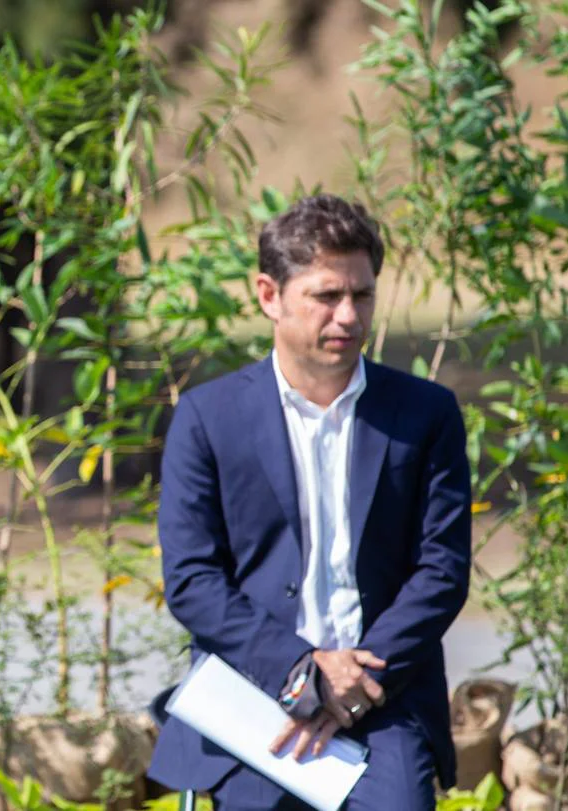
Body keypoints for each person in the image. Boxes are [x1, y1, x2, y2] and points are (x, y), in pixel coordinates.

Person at [147, 194, 471, 809]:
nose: (348, 316)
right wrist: (303, 673)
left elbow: (443, 570)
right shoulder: (207, 418)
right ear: (269, 294)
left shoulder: (425, 414)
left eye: (362, 295)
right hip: (254, 695)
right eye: (326, 296)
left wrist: (354, 683)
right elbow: (191, 580)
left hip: (384, 695)